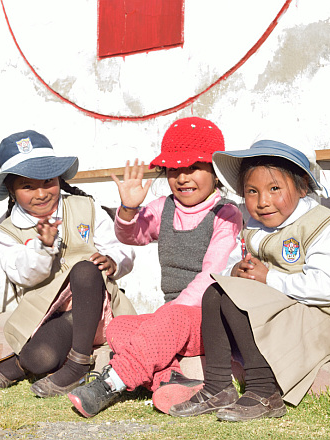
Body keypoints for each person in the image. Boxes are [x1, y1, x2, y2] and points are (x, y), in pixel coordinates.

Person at [167, 139, 330, 421]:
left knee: (237, 297)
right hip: (279, 314)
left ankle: (265, 390)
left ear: (303, 186)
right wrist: (236, 271)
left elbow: (324, 291)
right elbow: (235, 266)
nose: (262, 201)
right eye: (252, 192)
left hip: (319, 320)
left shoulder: (325, 227)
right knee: (217, 292)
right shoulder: (255, 229)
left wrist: (268, 278)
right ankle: (217, 387)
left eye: (274, 189)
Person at [67, 117, 243, 417]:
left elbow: (211, 275)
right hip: (173, 321)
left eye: (194, 168)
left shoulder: (226, 215)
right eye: (174, 169)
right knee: (120, 327)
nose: (183, 177)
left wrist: (170, 315)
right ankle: (171, 379)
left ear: (215, 172)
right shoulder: (165, 206)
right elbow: (132, 235)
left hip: (209, 322)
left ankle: (111, 382)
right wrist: (128, 209)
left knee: (165, 322)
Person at [0, 130, 137, 398]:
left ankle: (79, 363)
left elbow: (120, 245)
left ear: (59, 179)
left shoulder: (85, 207)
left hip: (100, 310)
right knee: (39, 359)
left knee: (85, 270)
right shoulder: (8, 231)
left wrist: (114, 261)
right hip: (53, 317)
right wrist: (43, 248)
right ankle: (20, 363)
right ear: (10, 188)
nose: (41, 193)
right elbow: (23, 275)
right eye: (28, 186)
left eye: (48, 181)